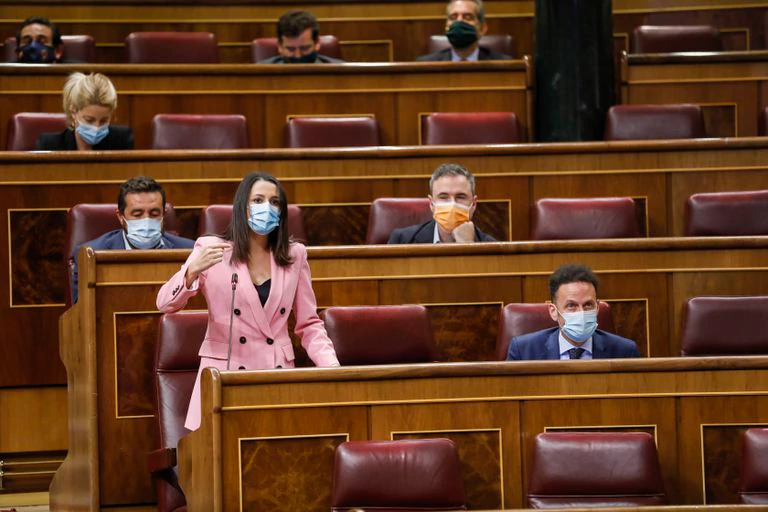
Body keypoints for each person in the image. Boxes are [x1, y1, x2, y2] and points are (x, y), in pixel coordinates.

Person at [156, 171, 340, 431]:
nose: (267, 207)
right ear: (242, 207)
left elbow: (309, 324)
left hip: (275, 375)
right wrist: (191, 272)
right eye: (258, 200)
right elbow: (165, 304)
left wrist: (330, 366)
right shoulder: (212, 249)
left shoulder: (294, 255)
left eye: (275, 202)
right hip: (224, 378)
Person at [70, 176, 194, 304]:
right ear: (120, 217)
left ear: (164, 214)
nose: (146, 221)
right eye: (137, 214)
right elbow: (82, 313)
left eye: (154, 214)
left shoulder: (190, 252)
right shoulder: (90, 257)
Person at [506, 264, 640, 360]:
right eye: (571, 306)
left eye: (588, 305)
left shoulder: (625, 352)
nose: (581, 313)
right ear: (553, 311)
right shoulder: (524, 351)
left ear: (597, 308)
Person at [388, 163, 495, 244]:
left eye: (460, 197)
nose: (452, 204)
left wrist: (468, 245)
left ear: (474, 204)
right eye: (443, 197)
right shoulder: (402, 240)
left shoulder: (491, 247)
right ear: (431, 204)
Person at [36, 72, 134, 151]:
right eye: (89, 120)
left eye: (103, 121)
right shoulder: (49, 145)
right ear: (74, 111)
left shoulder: (122, 141)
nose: (96, 128)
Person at [417, 0, 512, 62]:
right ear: (446, 27)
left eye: (467, 17)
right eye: (453, 17)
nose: (459, 21)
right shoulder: (425, 65)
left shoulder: (504, 64)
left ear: (482, 29)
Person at [259, 10, 344, 64]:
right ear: (279, 46)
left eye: (305, 48)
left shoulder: (342, 72)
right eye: (291, 49)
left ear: (317, 42)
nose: (298, 56)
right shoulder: (259, 75)